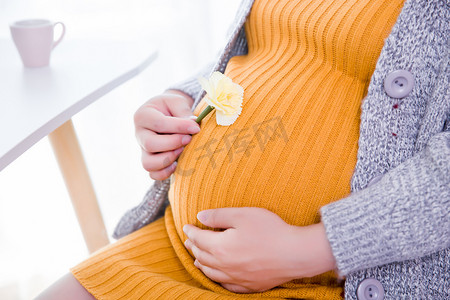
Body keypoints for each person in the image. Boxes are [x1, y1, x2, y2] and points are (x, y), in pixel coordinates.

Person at [36, 0, 449, 299]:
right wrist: (181, 98)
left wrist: (310, 250)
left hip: (332, 278)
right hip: (183, 250)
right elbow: (268, 47)